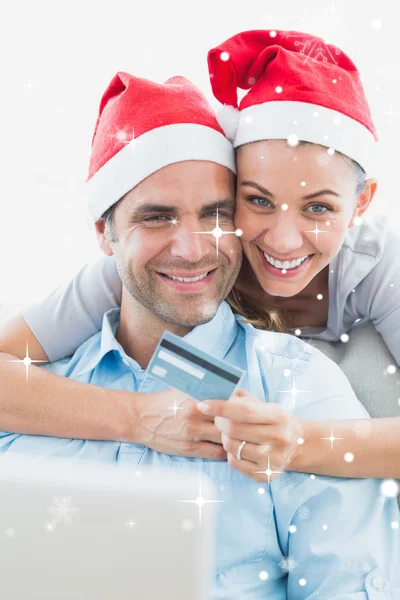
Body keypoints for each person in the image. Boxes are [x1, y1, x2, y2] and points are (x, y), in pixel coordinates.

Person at [1, 69, 399, 597]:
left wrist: (298, 442)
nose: (190, 248)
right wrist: (140, 420)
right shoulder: (50, 376)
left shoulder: (302, 382)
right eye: (157, 218)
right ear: (105, 233)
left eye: (214, 214)